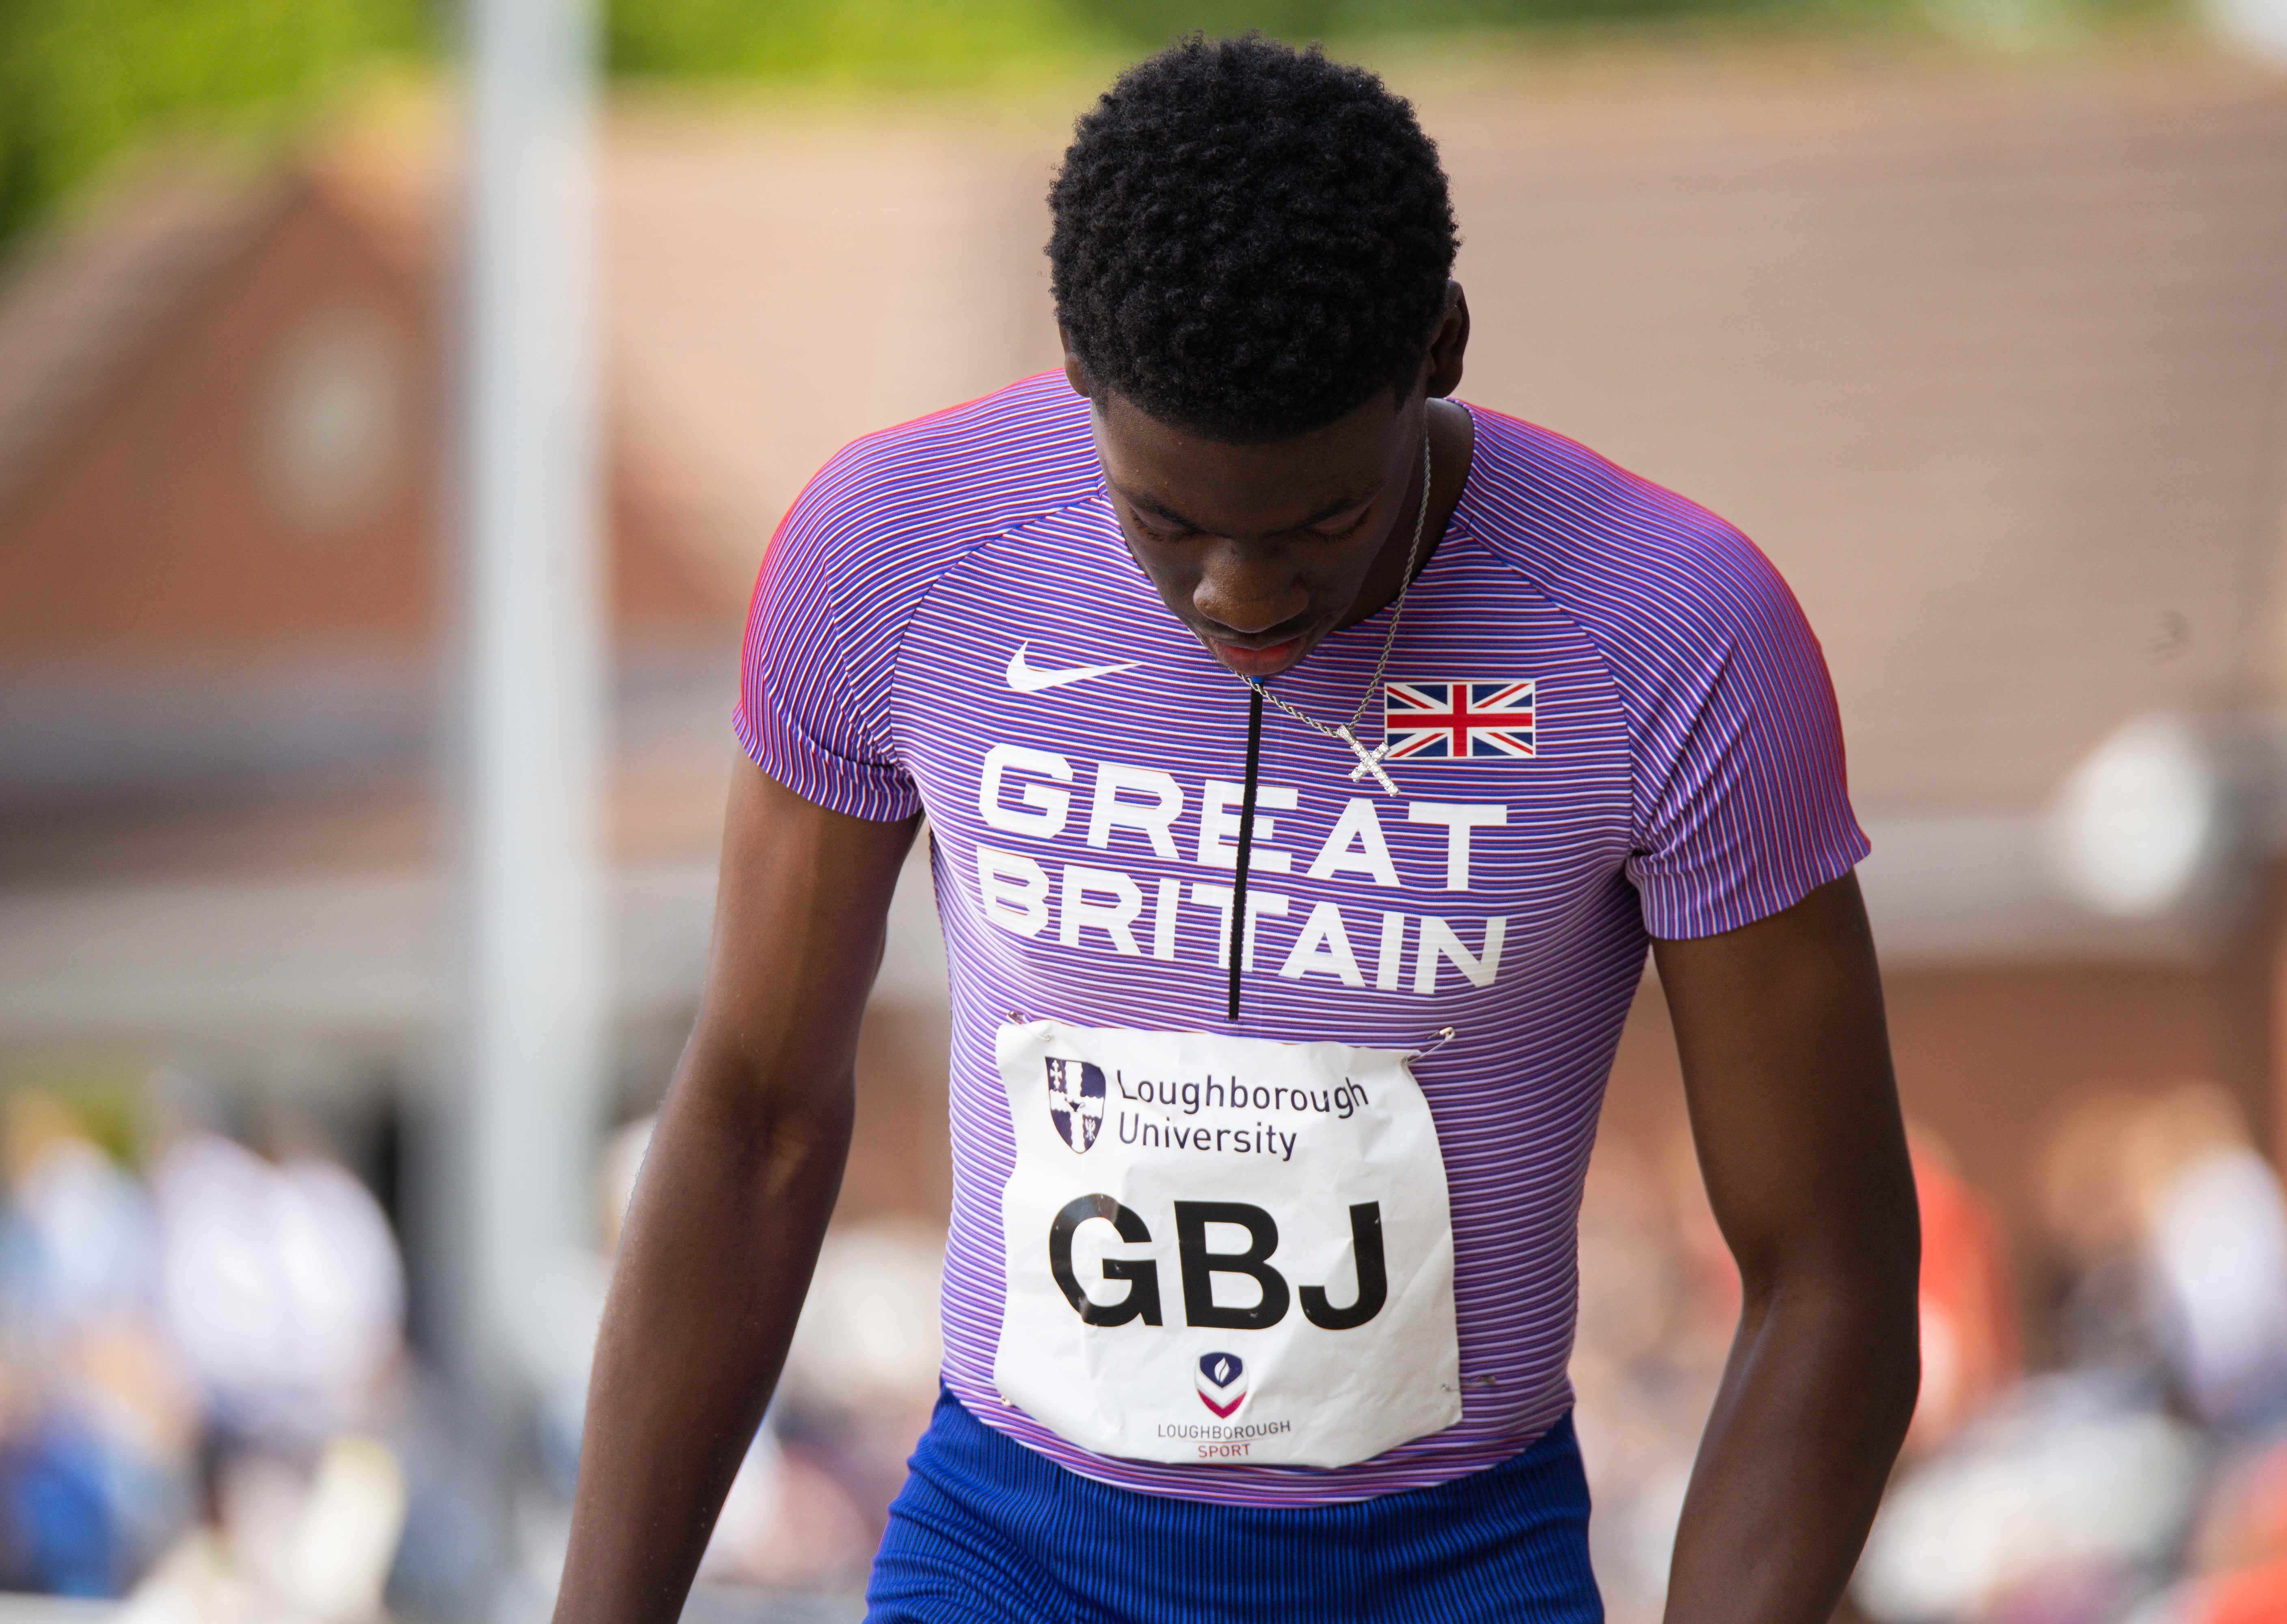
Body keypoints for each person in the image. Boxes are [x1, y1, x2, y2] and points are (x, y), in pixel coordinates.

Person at [555, 34, 1918, 1624]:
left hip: (1450, 1574)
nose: (1243, 596)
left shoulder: (1670, 634)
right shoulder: (896, 558)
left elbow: (1831, 1270)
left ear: (1441, 347)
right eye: (1167, 520)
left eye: (1325, 518)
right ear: (1080, 372)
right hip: (1013, 1558)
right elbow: (754, 1123)